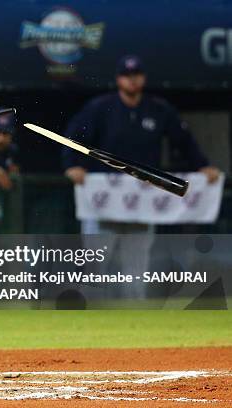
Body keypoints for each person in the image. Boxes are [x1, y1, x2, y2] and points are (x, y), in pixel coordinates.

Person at [62, 55, 221, 299]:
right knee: (96, 264)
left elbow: (184, 141)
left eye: (136, 75)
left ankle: (134, 323)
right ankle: (90, 319)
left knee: (136, 266)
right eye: (127, 75)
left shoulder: (158, 109)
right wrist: (72, 165)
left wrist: (202, 166)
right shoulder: (101, 107)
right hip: (104, 196)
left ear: (143, 78)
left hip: (142, 198)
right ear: (118, 79)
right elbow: (74, 136)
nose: (132, 80)